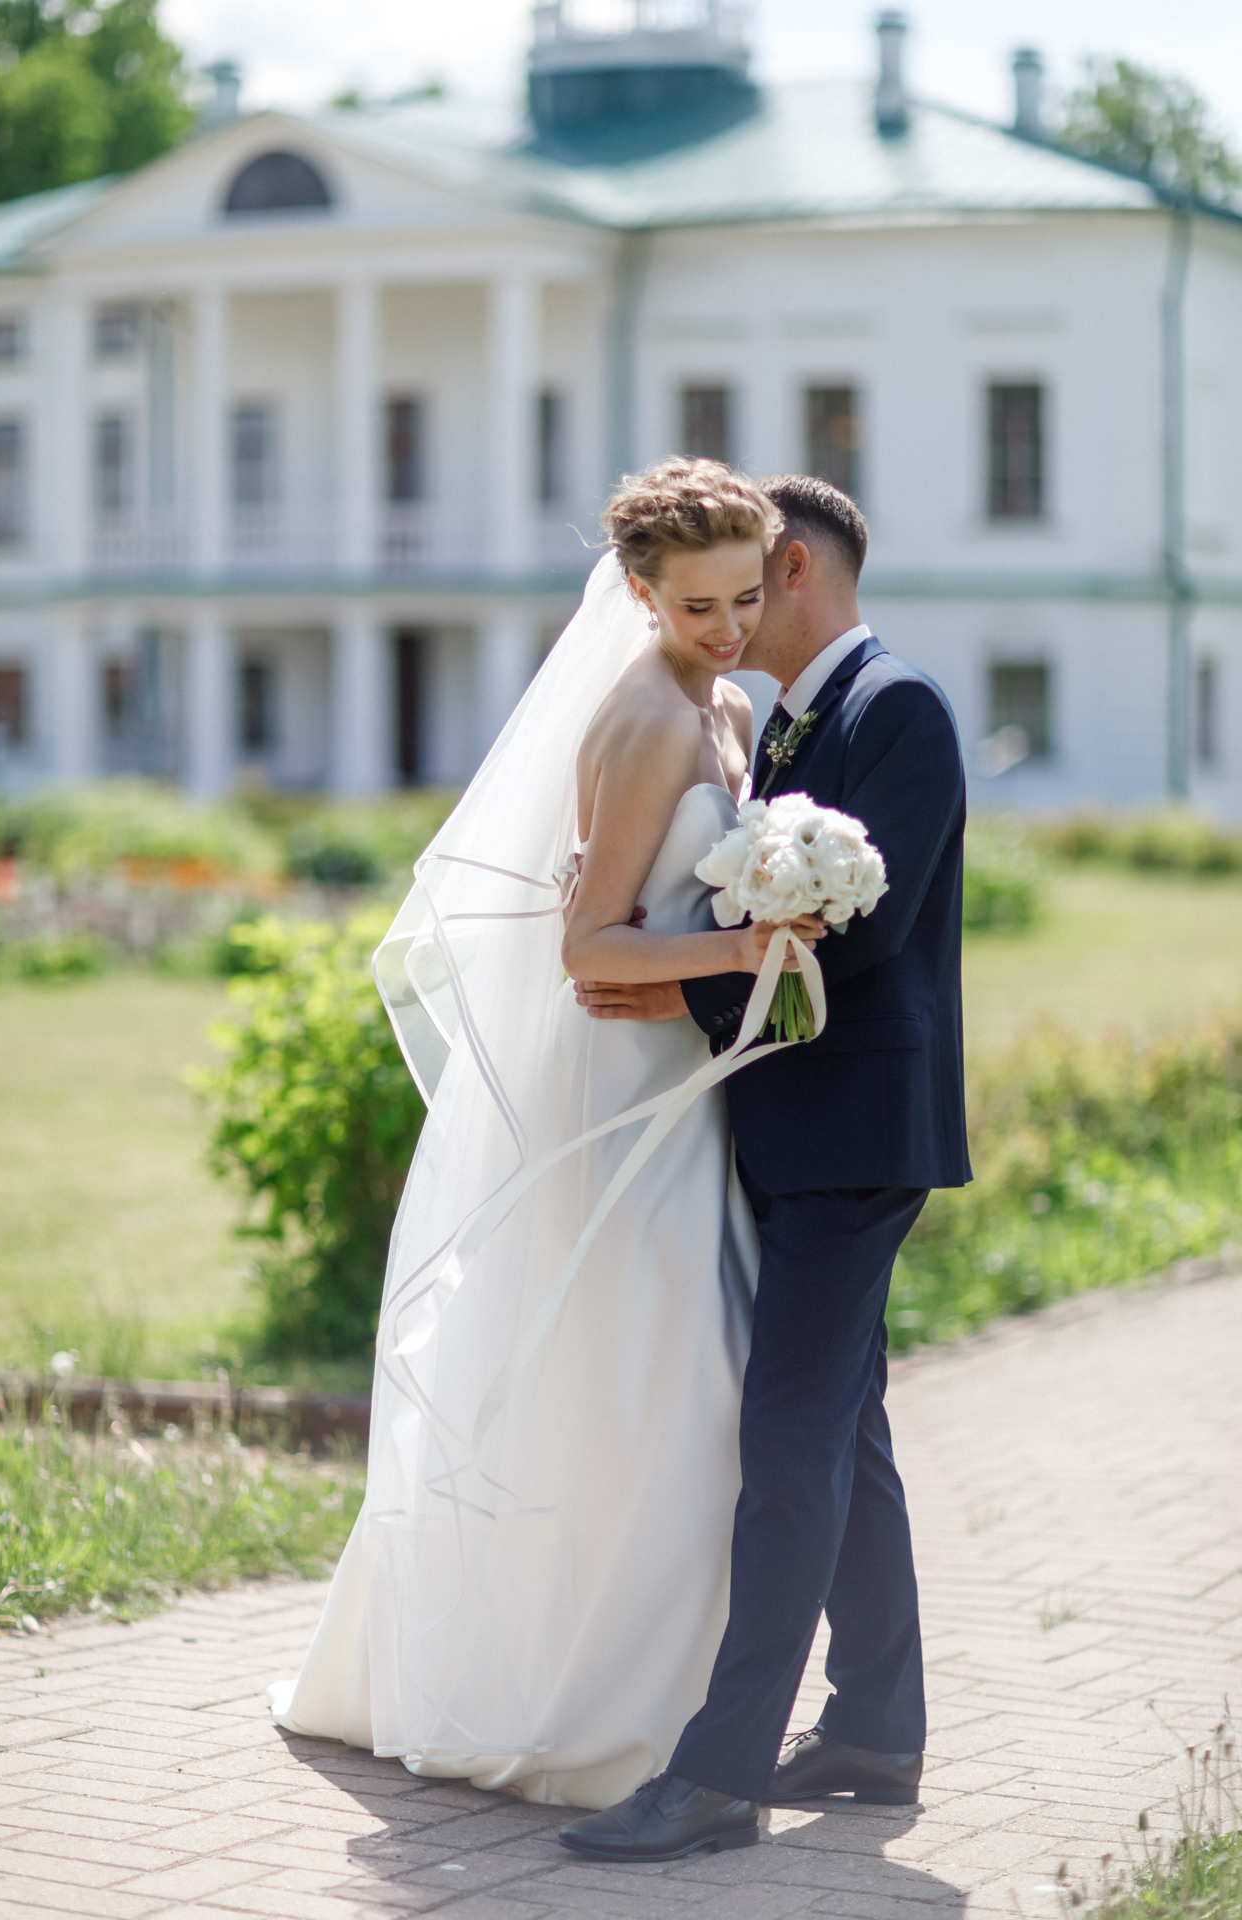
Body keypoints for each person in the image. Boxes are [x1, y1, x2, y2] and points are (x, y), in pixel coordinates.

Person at [271, 459, 823, 1809]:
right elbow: (588, 943)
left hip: (679, 1089)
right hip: (615, 1085)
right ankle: (594, 1712)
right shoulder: (640, 717)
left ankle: (655, 1695)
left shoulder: (728, 702)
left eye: (746, 599)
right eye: (698, 606)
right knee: (646, 1381)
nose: (728, 629)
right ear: (639, 591)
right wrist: (759, 935)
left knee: (677, 1382)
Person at [559, 473, 971, 1863]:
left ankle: (723, 1771)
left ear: (790, 565)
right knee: (842, 1423)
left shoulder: (893, 709)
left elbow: (852, 939)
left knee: (786, 1439)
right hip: (788, 1126)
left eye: (747, 587)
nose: (729, 620)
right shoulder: (785, 717)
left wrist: (677, 988)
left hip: (854, 1133)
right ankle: (872, 1727)